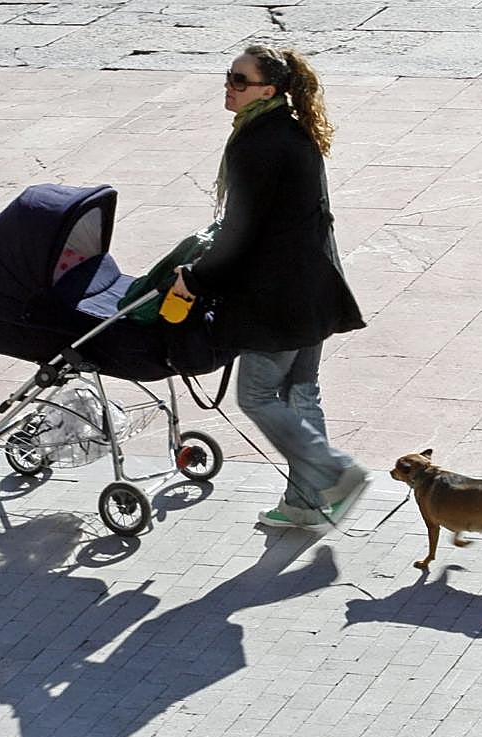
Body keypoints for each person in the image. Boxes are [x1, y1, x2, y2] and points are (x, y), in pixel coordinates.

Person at [171, 44, 369, 529]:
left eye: (240, 80)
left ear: (268, 89)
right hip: (314, 290)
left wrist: (195, 277)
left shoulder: (256, 142)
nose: (229, 86)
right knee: (301, 394)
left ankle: (333, 473)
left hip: (279, 300)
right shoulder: (291, 130)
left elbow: (242, 229)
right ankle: (306, 504)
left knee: (258, 397)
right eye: (229, 76)